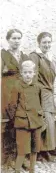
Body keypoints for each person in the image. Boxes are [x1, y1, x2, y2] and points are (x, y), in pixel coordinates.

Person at [7, 60, 45, 173]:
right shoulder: (17, 86)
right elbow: (12, 106)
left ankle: (32, 169)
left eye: (30, 72)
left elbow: (40, 103)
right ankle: (17, 170)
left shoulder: (38, 87)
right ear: (21, 73)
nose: (28, 75)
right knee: (22, 150)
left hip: (36, 121)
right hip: (22, 123)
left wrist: (40, 115)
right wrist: (15, 119)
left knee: (35, 148)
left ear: (34, 73)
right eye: (25, 72)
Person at [1, 29, 29, 169]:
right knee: (9, 125)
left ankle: (21, 156)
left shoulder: (23, 56)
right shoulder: (2, 55)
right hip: (7, 95)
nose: (16, 41)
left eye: (19, 38)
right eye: (13, 38)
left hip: (21, 94)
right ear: (8, 39)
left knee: (22, 124)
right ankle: (9, 158)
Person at [29, 32, 56, 162]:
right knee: (41, 122)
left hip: (48, 93)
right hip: (39, 93)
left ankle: (46, 150)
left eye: (49, 42)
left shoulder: (49, 57)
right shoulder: (34, 56)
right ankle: (38, 151)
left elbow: (51, 77)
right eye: (44, 42)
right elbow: (32, 77)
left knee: (49, 122)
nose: (47, 44)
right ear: (39, 43)